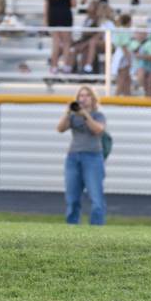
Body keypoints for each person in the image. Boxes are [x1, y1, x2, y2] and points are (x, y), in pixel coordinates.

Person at [56, 86, 107, 225]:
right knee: (72, 198)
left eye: (87, 96)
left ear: (93, 99)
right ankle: (72, 227)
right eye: (81, 96)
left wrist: (85, 114)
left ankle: (97, 228)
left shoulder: (98, 115)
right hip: (73, 157)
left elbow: (97, 129)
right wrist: (67, 112)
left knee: (96, 197)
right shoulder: (73, 116)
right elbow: (60, 128)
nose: (83, 99)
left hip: (92, 157)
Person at [45, 0, 78, 74]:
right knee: (66, 42)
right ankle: (65, 65)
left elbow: (46, 6)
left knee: (56, 43)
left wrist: (46, 20)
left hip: (53, 16)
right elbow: (74, 4)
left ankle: (54, 66)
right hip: (65, 16)